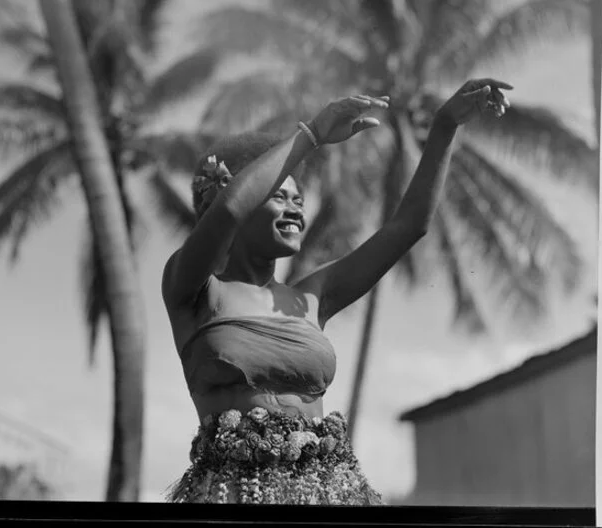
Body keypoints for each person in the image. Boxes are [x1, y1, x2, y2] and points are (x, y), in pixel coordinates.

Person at [162, 79, 512, 505]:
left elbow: (409, 226)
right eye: (279, 196)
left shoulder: (312, 298)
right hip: (234, 500)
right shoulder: (194, 290)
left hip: (326, 498)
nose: (296, 208)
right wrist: (310, 136)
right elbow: (229, 210)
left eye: (299, 199)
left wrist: (444, 126)